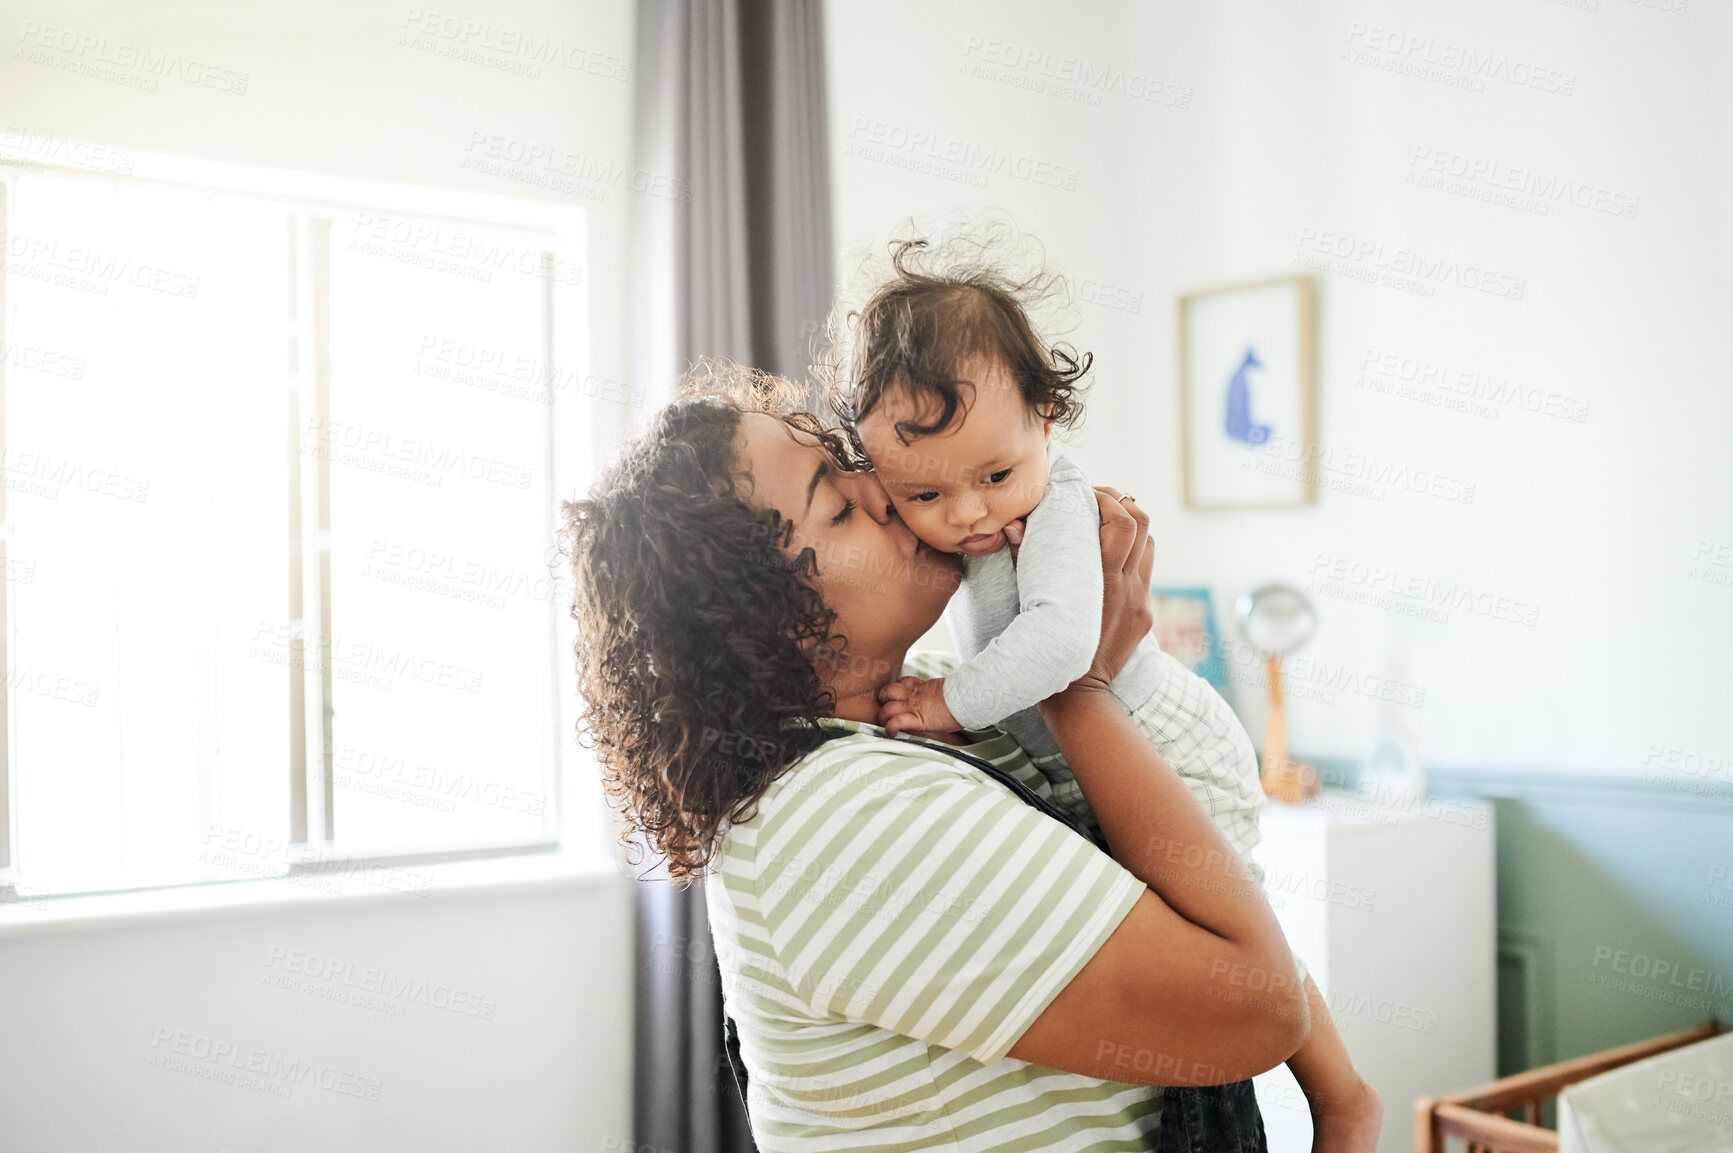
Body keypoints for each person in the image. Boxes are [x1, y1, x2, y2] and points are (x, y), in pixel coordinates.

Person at [562, 367, 1330, 1151]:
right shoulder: (843, 818)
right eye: (836, 506)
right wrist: (1075, 680)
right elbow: (1258, 1013)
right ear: (758, 620)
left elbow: (1199, 875)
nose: (881, 487)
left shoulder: (937, 696)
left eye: (846, 460)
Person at [832, 231, 1382, 1149]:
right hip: (1085, 745)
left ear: (1046, 418)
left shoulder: (1057, 503)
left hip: (1163, 734)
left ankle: (1341, 1094)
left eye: (994, 474)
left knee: (1229, 924)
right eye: (923, 495)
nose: (968, 512)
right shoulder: (979, 507)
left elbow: (1058, 645)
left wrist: (943, 705)